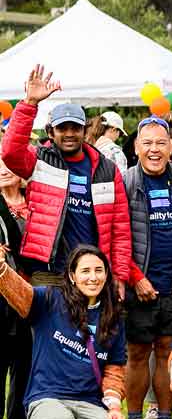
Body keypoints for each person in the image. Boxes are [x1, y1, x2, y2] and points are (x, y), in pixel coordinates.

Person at [0, 243, 135, 419]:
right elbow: (20, 293)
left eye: (99, 270)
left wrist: (113, 407)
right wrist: (2, 270)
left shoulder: (113, 317)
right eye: (85, 271)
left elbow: (114, 369)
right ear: (72, 276)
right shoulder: (50, 299)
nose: (93, 277)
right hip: (47, 398)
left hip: (89, 403)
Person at [1, 67, 131, 287]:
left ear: (85, 131)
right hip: (48, 272)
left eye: (75, 128)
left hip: (92, 275)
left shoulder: (107, 170)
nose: (69, 133)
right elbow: (10, 153)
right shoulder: (39, 161)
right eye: (62, 128)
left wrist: (119, 275)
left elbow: (120, 228)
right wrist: (29, 104)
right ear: (51, 133)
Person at [122, 116, 172, 419]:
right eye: (147, 143)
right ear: (136, 147)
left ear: (171, 147)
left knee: (168, 352)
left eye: (160, 143)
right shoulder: (124, 182)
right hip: (138, 285)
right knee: (137, 353)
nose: (154, 149)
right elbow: (115, 235)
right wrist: (134, 277)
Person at [0, 162, 32, 419]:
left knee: (25, 360)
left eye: (8, 164)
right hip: (1, 291)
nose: (4, 170)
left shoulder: (35, 199)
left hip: (30, 289)